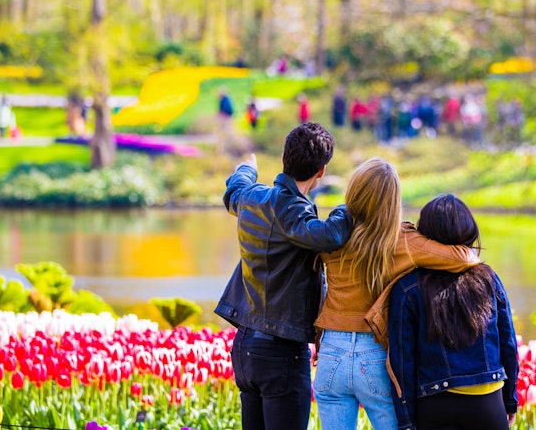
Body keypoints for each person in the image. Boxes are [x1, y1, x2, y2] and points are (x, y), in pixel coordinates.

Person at [313, 158, 480, 430]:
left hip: (331, 351)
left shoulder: (330, 236)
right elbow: (463, 258)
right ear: (393, 201)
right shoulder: (403, 241)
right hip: (375, 355)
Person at [214, 122, 354, 430]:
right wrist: (351, 204)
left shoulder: (251, 197)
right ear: (321, 170)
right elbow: (330, 235)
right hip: (280, 353)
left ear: (283, 157)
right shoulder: (293, 211)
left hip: (246, 347)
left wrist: (246, 168)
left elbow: (234, 190)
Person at [388, 194, 520, 430]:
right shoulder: (489, 279)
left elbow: (402, 362)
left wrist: (406, 421)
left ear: (425, 234)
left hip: (435, 404)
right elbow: (508, 344)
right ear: (469, 230)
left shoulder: (407, 287)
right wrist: (510, 401)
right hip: (488, 402)